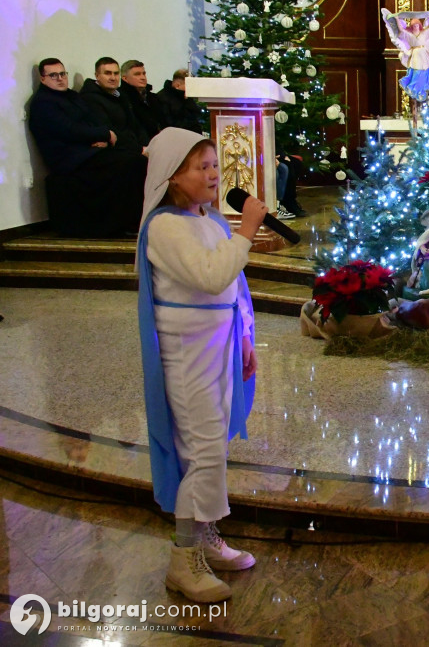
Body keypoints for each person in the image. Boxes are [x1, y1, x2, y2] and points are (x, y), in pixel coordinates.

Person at [136, 128, 266, 603]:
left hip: (219, 345)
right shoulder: (166, 226)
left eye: (215, 164)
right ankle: (183, 560)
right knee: (202, 449)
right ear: (173, 177)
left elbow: (235, 286)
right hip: (188, 353)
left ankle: (205, 539)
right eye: (202, 167)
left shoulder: (208, 221)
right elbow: (212, 277)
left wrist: (246, 337)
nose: (214, 174)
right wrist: (248, 230)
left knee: (211, 448)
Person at [28, 57, 147, 237]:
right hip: (69, 159)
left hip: (87, 151)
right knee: (131, 162)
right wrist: (104, 135)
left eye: (62, 74)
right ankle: (127, 223)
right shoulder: (44, 103)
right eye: (53, 75)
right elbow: (68, 130)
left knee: (133, 158)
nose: (60, 78)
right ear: (43, 79)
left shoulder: (72, 96)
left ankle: (136, 220)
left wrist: (103, 137)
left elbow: (92, 121)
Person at [80, 56, 148, 155]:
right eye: (107, 73)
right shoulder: (90, 98)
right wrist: (140, 149)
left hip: (135, 146)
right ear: (97, 75)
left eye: (116, 73)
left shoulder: (121, 95)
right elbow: (109, 130)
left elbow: (135, 125)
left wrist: (148, 145)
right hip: (117, 150)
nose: (113, 78)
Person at [121, 59, 167, 142]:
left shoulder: (153, 97)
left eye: (144, 73)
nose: (143, 77)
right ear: (125, 78)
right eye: (137, 74)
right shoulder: (121, 98)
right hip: (139, 145)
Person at [158, 69, 203, 133]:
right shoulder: (162, 98)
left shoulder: (186, 97)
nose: (191, 89)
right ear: (177, 85)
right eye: (189, 86)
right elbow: (170, 123)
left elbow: (196, 116)